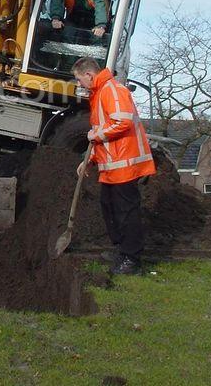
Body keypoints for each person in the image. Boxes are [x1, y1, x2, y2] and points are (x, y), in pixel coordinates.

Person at [72, 57, 155, 275]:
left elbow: (122, 122)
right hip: (112, 165)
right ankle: (121, 249)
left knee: (126, 212)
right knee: (109, 207)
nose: (79, 84)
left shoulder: (112, 90)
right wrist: (88, 160)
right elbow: (103, 132)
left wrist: (95, 134)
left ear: (89, 74)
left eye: (79, 79)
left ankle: (132, 259)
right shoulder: (99, 93)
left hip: (124, 164)